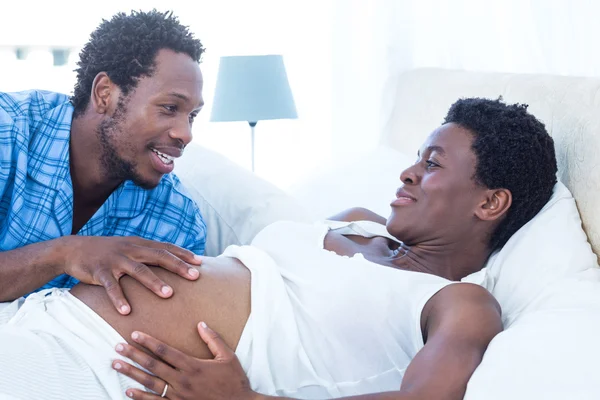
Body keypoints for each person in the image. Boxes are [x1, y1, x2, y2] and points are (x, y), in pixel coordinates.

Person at [0, 98, 558, 400]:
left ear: (490, 204)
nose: (408, 173)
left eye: (432, 164)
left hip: (96, 373)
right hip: (35, 321)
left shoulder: (459, 304)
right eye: (416, 156)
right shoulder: (363, 225)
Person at [0, 10, 208, 314]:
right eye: (169, 107)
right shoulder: (8, 131)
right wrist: (64, 253)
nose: (185, 134)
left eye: (191, 116)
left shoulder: (177, 221)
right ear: (104, 94)